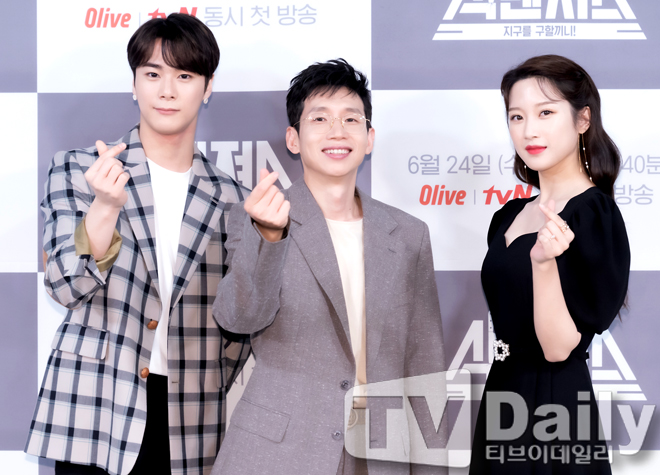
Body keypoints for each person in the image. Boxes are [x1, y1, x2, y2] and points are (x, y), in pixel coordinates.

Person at [25, 13, 250, 475]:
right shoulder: (79, 170)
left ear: (207, 88)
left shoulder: (232, 198)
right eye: (152, 74)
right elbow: (64, 286)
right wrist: (104, 207)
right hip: (94, 403)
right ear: (134, 84)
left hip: (189, 417)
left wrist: (207, 377)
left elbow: (240, 325)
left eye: (184, 76)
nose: (166, 91)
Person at [210, 59, 446, 474]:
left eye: (351, 119)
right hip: (279, 454)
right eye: (320, 118)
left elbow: (423, 364)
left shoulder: (409, 235)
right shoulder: (257, 216)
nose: (337, 131)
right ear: (293, 138)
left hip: (380, 454)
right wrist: (268, 236)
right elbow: (239, 318)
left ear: (369, 138)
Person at [470, 54, 630, 474]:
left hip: (554, 406)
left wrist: (543, 264)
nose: (529, 130)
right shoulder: (508, 215)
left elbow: (559, 349)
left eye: (545, 112)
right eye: (516, 116)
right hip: (503, 395)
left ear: (582, 119)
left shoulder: (593, 215)